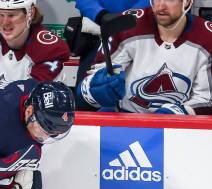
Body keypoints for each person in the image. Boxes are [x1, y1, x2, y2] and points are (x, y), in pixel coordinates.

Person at [76, 0, 212, 114]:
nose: (160, 6)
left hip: (181, 131)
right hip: (128, 121)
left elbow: (206, 99)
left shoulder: (207, 38)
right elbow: (92, 83)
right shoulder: (127, 26)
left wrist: (179, 112)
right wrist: (94, 91)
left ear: (187, 1)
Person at [69, 0, 151, 87]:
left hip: (140, 37)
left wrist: (129, 16)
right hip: (97, 37)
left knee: (139, 88)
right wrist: (101, 15)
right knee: (90, 88)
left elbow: (156, 3)